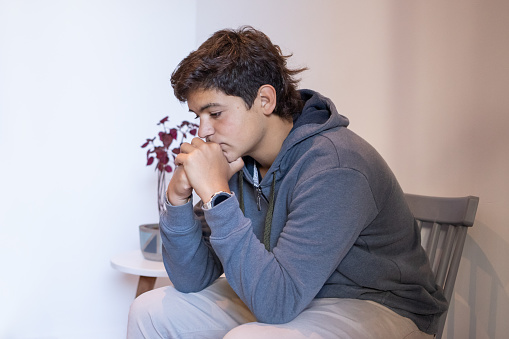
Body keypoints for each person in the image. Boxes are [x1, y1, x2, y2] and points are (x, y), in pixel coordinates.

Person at [127, 26, 448, 339]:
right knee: (149, 310)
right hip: (286, 291)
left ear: (265, 100)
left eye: (215, 113)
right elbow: (191, 278)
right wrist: (177, 199)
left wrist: (215, 195)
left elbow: (276, 305)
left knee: (253, 336)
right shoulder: (239, 162)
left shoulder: (335, 165)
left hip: (376, 303)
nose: (202, 131)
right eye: (198, 116)